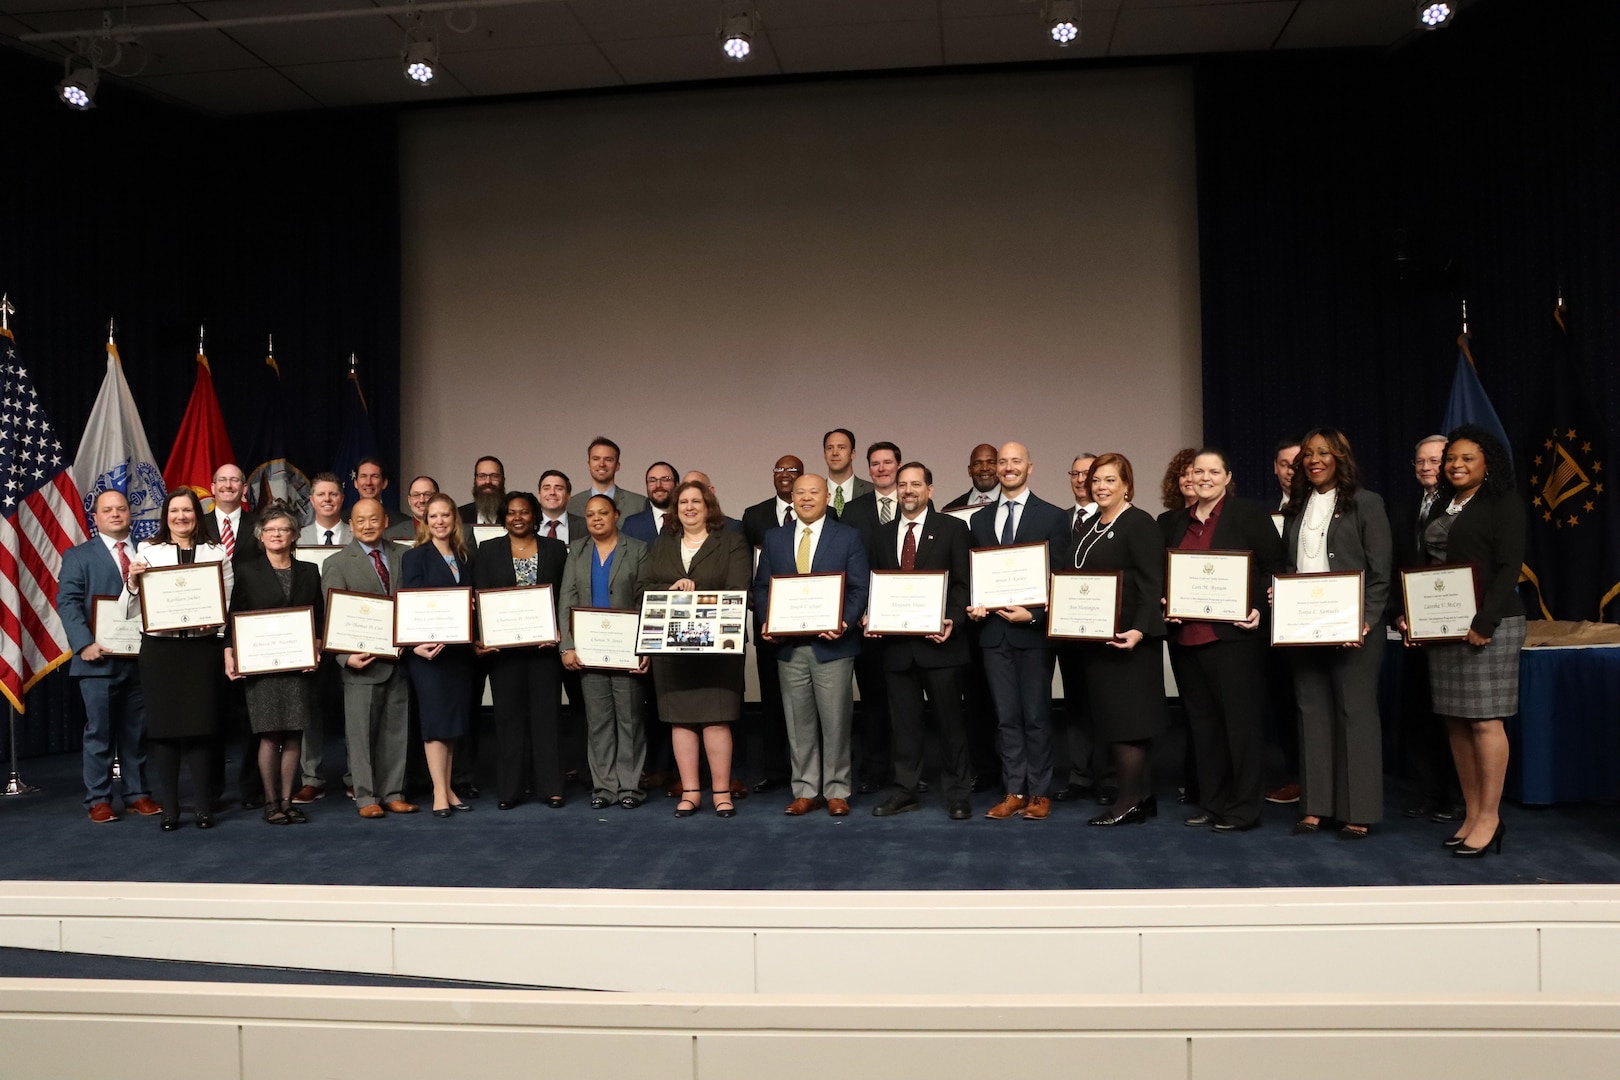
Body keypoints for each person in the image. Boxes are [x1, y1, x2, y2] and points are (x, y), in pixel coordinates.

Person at [1406, 425, 1525, 857]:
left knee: (1485, 721)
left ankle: (1491, 817)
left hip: (1489, 625)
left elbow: (1510, 566)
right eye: (1450, 458)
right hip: (1444, 626)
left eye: (1466, 458)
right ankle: (1472, 812)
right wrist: (1415, 616)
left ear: (1487, 462)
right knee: (1456, 721)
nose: (1456, 465)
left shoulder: (1502, 503)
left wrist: (1486, 622)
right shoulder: (1442, 503)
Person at [1157, 449, 1283, 831]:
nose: (1205, 478)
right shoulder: (1171, 522)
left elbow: (1275, 568)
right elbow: (1162, 574)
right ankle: (1212, 804)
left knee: (1240, 727)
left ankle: (1244, 808)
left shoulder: (1249, 515)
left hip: (1235, 640)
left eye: (1214, 472)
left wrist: (1261, 607)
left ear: (1228, 477)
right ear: (1188, 477)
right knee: (1204, 727)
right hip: (1187, 639)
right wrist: (1166, 600)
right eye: (1199, 471)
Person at [1280, 427, 1391, 840]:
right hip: (1304, 626)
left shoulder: (1366, 503)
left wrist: (1366, 618)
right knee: (1312, 711)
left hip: (1354, 628)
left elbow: (1380, 573)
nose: (1314, 460)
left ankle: (1357, 810)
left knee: (1355, 713)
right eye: (1307, 454)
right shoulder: (1296, 507)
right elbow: (1293, 565)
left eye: (1323, 453)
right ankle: (1316, 807)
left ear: (1340, 457)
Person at [755, 473, 870, 817]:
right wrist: (769, 618)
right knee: (797, 721)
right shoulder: (774, 539)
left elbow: (859, 588)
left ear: (826, 498)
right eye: (799, 492)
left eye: (813, 492)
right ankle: (805, 789)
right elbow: (762, 587)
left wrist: (845, 622)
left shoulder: (847, 537)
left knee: (836, 721)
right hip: (789, 647)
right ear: (792, 498)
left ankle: (837, 790)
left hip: (833, 647)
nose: (806, 497)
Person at [636, 480, 752, 818]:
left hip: (717, 650)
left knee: (717, 720)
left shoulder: (731, 543)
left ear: (708, 506)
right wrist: (673, 589)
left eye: (695, 501)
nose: (689, 507)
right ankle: (690, 792)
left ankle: (720, 792)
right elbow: (642, 588)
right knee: (680, 720)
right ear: (675, 509)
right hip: (671, 650)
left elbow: (738, 589)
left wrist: (695, 591)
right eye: (683, 502)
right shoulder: (660, 545)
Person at [967, 441, 1069, 820]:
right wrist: (977, 604)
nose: (1008, 467)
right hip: (993, 635)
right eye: (1003, 462)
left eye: (1016, 462)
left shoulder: (1054, 517)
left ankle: (1040, 793)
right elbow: (976, 575)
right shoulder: (979, 520)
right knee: (1006, 716)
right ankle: (1014, 790)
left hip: (1033, 632)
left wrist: (1035, 616)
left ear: (1030, 467)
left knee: (1037, 715)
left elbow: (1058, 578)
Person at [1066, 453, 1170, 826]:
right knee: (1113, 721)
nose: (1101, 487)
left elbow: (1151, 582)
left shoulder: (1139, 523)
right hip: (1102, 641)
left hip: (1130, 641)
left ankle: (1126, 801)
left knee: (1130, 723)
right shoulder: (1091, 524)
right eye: (1096, 480)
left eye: (1110, 480)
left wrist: (1139, 630)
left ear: (1127, 484)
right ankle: (1142, 798)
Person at [868, 463, 974, 820]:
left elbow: (963, 583)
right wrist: (871, 615)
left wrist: (953, 620)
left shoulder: (953, 529)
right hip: (897, 649)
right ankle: (904, 791)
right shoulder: (882, 535)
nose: (908, 490)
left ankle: (958, 793)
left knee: (950, 724)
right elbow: (875, 585)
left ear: (930, 489)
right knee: (904, 727)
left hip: (941, 645)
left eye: (916, 484)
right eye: (902, 485)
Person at [125, 488, 234, 831]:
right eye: (174, 511)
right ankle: (170, 809)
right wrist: (132, 581)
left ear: (196, 515)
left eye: (187, 511)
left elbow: (226, 603)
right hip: (161, 652)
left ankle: (203, 808)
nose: (181, 517)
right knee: (164, 732)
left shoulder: (216, 552)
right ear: (165, 516)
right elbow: (131, 607)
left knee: (201, 729)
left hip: (201, 651)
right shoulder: (148, 551)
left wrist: (213, 617)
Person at [56, 490, 162, 823]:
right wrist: (83, 643)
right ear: (96, 517)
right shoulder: (78, 555)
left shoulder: (149, 553)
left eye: (121, 509)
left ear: (130, 514)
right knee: (100, 732)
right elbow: (68, 603)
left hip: (141, 658)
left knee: (136, 732)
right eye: (107, 510)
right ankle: (98, 798)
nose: (115, 514)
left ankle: (136, 793)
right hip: (97, 659)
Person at [223, 505, 325, 825]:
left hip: (298, 665)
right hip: (262, 665)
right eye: (270, 530)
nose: (277, 534)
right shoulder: (246, 571)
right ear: (261, 536)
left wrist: (316, 649)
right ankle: (270, 802)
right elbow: (234, 619)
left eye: (283, 529)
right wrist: (231, 652)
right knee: (269, 735)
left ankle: (287, 800)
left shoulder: (309, 571)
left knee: (294, 734)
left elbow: (318, 617)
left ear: (294, 535)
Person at [321, 497, 418, 819]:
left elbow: (412, 605)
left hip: (399, 661)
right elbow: (331, 617)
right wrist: (344, 657)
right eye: (360, 520)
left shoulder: (406, 556)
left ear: (385, 521)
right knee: (360, 735)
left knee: (396, 732)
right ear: (351, 525)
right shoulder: (337, 562)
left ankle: (393, 793)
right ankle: (365, 796)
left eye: (373, 519)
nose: (367, 525)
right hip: (360, 665)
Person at [472, 490, 568, 810]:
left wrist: (558, 632)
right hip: (504, 653)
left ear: (535, 516)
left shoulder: (555, 549)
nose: (517, 517)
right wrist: (484, 636)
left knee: (547, 719)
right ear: (504, 517)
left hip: (543, 650)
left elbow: (564, 597)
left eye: (524, 512)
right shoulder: (487, 550)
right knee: (508, 719)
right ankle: (510, 789)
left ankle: (550, 787)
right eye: (511, 512)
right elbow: (480, 597)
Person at [1389, 435, 1464, 822]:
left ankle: (1455, 797)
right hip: (1413, 628)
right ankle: (1429, 793)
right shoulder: (1403, 508)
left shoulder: (1463, 508)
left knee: (1450, 714)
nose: (1425, 467)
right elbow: (1392, 566)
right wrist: (1397, 615)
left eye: (1434, 460)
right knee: (1419, 714)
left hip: (1453, 626)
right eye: (1419, 461)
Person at [560, 494, 650, 808]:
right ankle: (603, 788)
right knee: (598, 723)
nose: (596, 518)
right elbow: (566, 598)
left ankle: (629, 788)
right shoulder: (577, 551)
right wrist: (566, 646)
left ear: (616, 515)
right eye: (590, 514)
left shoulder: (637, 549)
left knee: (629, 721)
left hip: (626, 652)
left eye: (603, 512)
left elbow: (644, 601)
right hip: (589, 653)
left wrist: (644, 647)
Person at [827, 441, 902, 793]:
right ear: (868, 468)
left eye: (888, 463)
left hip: (908, 621)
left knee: (905, 701)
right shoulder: (852, 511)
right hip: (866, 623)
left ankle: (907, 772)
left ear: (899, 466)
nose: (882, 469)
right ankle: (874, 771)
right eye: (876, 464)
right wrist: (859, 612)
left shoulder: (916, 504)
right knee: (872, 701)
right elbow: (847, 567)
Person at [401, 493, 477, 818]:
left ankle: (448, 787)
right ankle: (438, 792)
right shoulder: (415, 557)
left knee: (452, 721)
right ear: (425, 520)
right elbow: (412, 601)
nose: (440, 521)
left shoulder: (464, 556)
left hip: (458, 654)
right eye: (433, 516)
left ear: (454, 519)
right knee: (435, 722)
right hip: (428, 653)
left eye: (446, 515)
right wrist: (416, 643)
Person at [739, 455, 805, 795]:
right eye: (779, 469)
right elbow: (745, 564)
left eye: (793, 470)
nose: (785, 475)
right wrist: (752, 598)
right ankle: (775, 769)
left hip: (810, 620)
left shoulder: (825, 513)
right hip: (770, 622)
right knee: (772, 700)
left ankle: (808, 770)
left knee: (808, 701)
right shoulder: (754, 515)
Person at [1054, 453, 1107, 804]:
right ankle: (1080, 776)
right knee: (1075, 703)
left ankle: (1108, 778)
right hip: (1067, 627)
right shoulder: (1056, 521)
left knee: (1104, 704)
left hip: (1103, 628)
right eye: (1075, 473)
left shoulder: (1113, 519)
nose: (1081, 479)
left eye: (1089, 473)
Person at [1264, 434, 1305, 806]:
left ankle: (1315, 780)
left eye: (1297, 462)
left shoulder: (1324, 508)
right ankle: (1298, 775)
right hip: (1274, 624)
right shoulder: (1268, 511)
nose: (1289, 470)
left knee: (1308, 701)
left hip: (1313, 621)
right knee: (1284, 702)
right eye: (1283, 463)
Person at [569, 437, 648, 517]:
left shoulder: (639, 504)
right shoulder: (571, 504)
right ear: (589, 464)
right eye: (596, 459)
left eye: (608, 459)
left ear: (617, 466)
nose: (602, 464)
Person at [622, 461, 677, 545]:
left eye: (665, 479)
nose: (658, 485)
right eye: (652, 480)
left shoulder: (688, 519)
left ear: (677, 484)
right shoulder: (632, 525)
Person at [822, 428, 872, 517]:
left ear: (853, 453)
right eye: (830, 448)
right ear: (824, 454)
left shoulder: (871, 491)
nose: (835, 453)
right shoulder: (814, 492)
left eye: (841, 447)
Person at [943, 443, 1000, 511]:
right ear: (969, 470)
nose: (984, 468)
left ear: (1000, 468)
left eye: (991, 462)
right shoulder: (952, 509)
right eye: (978, 463)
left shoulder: (1013, 502)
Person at [299, 473, 351, 548]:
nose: (327, 499)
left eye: (333, 494)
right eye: (321, 494)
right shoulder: (298, 537)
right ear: (312, 500)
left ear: (342, 498)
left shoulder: (357, 535)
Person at [537, 470, 586, 545]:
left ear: (568, 496)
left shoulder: (585, 526)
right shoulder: (528, 526)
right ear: (539, 495)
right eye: (546, 488)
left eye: (559, 489)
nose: (552, 492)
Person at [385, 475, 438, 541]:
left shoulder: (450, 530)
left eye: (427, 494)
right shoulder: (391, 534)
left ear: (438, 498)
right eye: (416, 495)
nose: (422, 500)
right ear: (409, 500)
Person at [459, 456, 506, 526]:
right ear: (475, 480)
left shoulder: (512, 514)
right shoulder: (459, 515)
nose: (487, 481)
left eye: (494, 476)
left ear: (503, 480)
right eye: (482, 476)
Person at [1159, 448, 1199, 513]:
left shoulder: (1216, 517)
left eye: (1195, 474)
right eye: (1183, 474)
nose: (1189, 479)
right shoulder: (1165, 519)